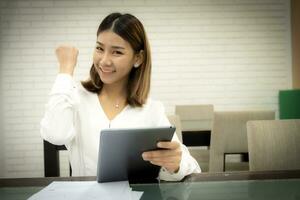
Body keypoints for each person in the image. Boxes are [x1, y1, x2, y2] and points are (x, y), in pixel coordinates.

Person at [40, 12, 201, 181]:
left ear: (138, 58)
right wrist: (65, 70)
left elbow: (190, 167)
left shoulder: (151, 109)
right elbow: (55, 134)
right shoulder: (75, 97)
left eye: (116, 52)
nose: (104, 61)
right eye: (99, 48)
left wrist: (175, 164)